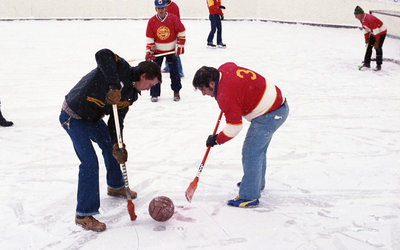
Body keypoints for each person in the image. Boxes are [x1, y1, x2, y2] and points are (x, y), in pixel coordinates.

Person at [59, 48, 161, 232]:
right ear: (143, 75)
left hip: (92, 118)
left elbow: (116, 120)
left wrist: (116, 143)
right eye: (150, 84)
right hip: (73, 116)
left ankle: (115, 185)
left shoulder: (131, 95)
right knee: (89, 163)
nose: (149, 89)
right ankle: (83, 214)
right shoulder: (120, 68)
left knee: (110, 148)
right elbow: (102, 54)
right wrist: (115, 86)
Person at [192, 63, 289, 207]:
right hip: (277, 104)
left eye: (203, 89)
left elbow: (234, 127)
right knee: (258, 150)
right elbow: (236, 83)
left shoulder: (226, 96)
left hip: (270, 114)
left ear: (212, 83)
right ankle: (255, 183)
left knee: (251, 152)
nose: (203, 93)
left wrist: (216, 139)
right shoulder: (224, 68)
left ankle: (249, 195)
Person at [146, 0, 186, 102]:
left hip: (171, 51)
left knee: (174, 73)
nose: (161, 10)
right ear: (156, 9)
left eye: (163, 8)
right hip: (158, 51)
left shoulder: (173, 18)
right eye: (159, 8)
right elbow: (149, 37)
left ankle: (176, 91)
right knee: (154, 73)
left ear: (165, 8)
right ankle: (154, 94)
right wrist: (149, 51)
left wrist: (180, 44)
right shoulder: (152, 21)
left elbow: (181, 30)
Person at [354, 6, 387, 71]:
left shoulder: (370, 19)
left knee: (378, 47)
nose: (355, 17)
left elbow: (376, 31)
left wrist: (377, 42)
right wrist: (366, 39)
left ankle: (378, 65)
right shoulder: (361, 19)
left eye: (356, 15)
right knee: (369, 46)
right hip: (373, 32)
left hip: (381, 32)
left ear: (361, 14)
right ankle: (367, 63)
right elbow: (365, 28)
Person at [162, 0, 184, 78]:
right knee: (166, 50)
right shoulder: (163, 6)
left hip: (173, 32)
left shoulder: (174, 7)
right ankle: (168, 67)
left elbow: (176, 21)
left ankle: (179, 71)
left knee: (174, 52)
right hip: (166, 32)